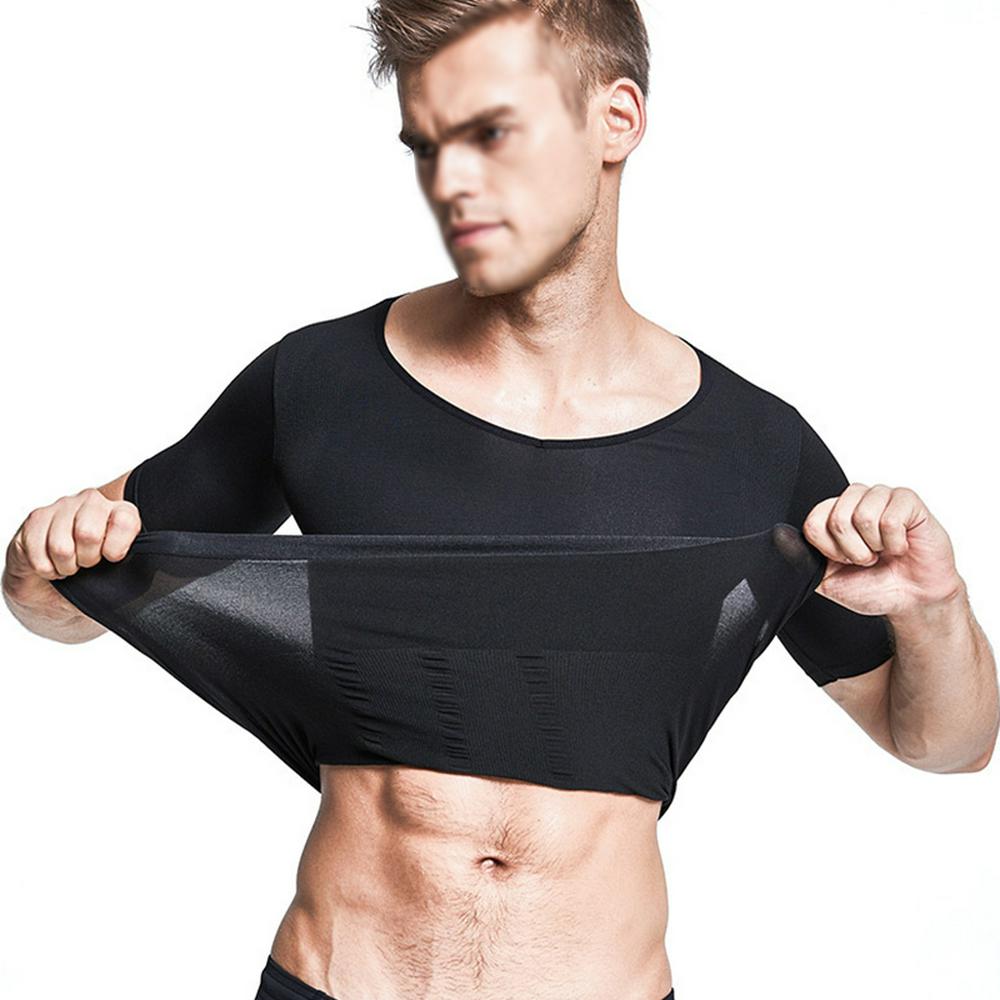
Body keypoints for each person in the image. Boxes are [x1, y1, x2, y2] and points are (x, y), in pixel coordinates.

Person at [4, 2, 996, 998]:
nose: (450, 183)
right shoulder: (318, 385)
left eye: (491, 133)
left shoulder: (754, 445)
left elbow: (948, 744)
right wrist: (40, 561)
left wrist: (934, 606)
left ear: (616, 120)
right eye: (427, 146)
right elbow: (67, 598)